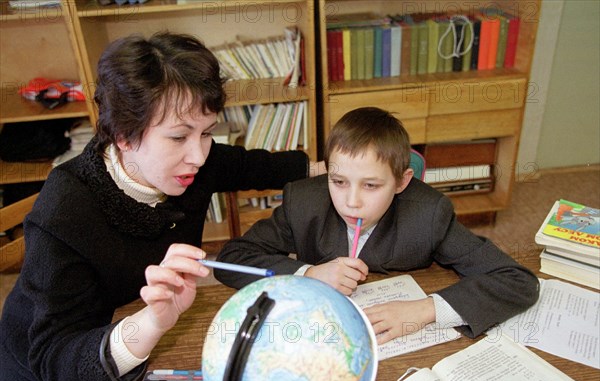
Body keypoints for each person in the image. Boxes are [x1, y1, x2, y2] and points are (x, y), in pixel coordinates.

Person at [0, 32, 323, 381]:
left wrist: (331, 171)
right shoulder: (64, 209)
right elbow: (54, 357)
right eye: (178, 136)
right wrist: (149, 323)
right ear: (123, 135)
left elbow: (249, 165)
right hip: (49, 359)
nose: (199, 154)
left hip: (146, 326)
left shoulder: (196, 163)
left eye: (206, 132)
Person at [215, 106, 539, 344]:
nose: (351, 201)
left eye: (371, 185)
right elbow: (231, 259)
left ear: (401, 181)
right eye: (338, 181)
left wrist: (425, 310)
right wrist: (308, 274)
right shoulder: (304, 202)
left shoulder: (429, 214)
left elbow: (517, 281)